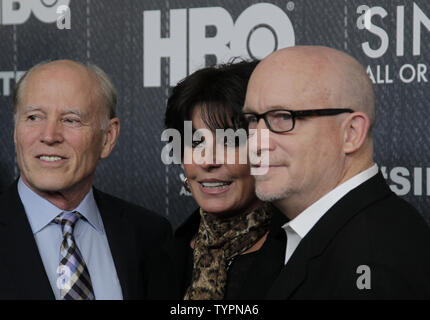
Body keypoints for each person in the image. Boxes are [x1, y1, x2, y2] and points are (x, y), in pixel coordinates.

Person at [243, 45, 430, 299]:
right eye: (252, 119)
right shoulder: (289, 232)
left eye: (284, 118)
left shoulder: (376, 264)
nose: (256, 142)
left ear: (351, 133)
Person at [0, 60, 172, 300]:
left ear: (108, 138)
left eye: (71, 120)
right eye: (34, 117)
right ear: (15, 128)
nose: (49, 136)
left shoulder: (148, 235)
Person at [160, 60, 287, 300]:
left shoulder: (300, 253)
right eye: (196, 142)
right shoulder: (161, 254)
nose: (208, 161)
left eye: (229, 141)